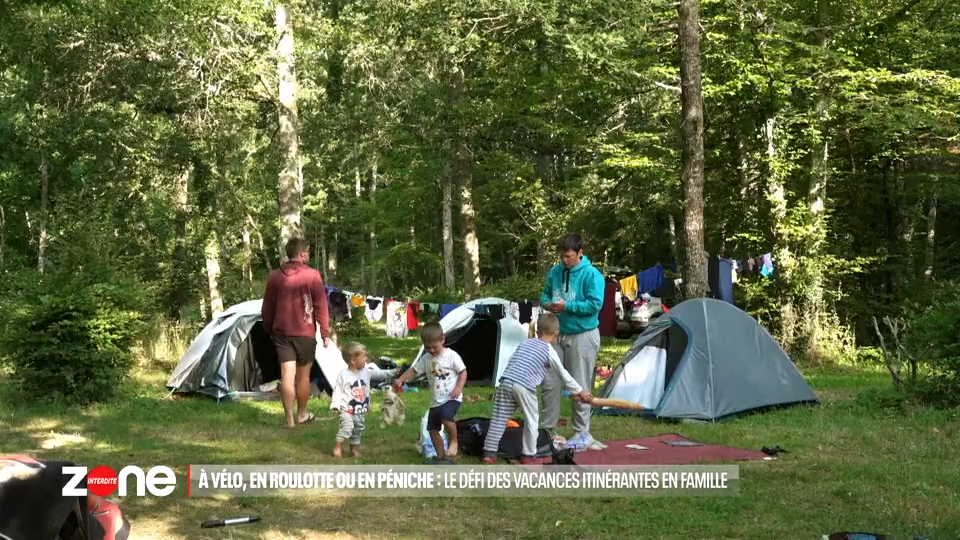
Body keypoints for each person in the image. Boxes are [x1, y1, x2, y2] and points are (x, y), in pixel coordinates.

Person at [482, 312, 593, 465]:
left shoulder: (525, 343)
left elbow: (514, 361)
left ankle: (489, 452)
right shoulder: (548, 350)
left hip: (506, 381)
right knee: (532, 420)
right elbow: (564, 375)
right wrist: (580, 391)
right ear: (556, 334)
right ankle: (528, 455)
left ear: (537, 331)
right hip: (524, 386)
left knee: (498, 419)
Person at [539, 233, 605, 440]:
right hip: (556, 335)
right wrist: (548, 304)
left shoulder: (592, 275)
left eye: (569, 256)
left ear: (580, 253)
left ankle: (581, 433)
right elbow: (544, 295)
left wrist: (567, 306)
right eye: (562, 257)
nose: (564, 261)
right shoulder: (555, 272)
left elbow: (595, 304)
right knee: (550, 383)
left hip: (583, 334)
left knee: (580, 385)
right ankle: (547, 431)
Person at [261, 238, 332, 428]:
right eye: (307, 252)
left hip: (282, 333)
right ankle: (301, 414)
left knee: (286, 375)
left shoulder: (274, 276)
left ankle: (289, 420)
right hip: (305, 333)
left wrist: (268, 328)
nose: (308, 255)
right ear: (302, 254)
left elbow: (267, 307)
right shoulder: (312, 275)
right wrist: (324, 332)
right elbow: (321, 306)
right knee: (303, 377)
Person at [393, 322, 467, 463]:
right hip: (435, 401)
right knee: (432, 429)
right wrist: (400, 380)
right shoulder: (426, 358)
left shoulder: (451, 356)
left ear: (442, 340)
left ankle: (454, 441)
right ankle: (440, 457)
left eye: (434, 347)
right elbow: (413, 371)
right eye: (427, 347)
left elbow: (463, 372)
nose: (431, 350)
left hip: (452, 397)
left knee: (446, 416)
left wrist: (459, 387)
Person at [331, 342, 398, 458]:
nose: (366, 359)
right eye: (363, 357)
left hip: (360, 409)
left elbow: (379, 374)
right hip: (346, 409)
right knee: (347, 427)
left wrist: (392, 372)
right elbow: (337, 390)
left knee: (358, 429)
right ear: (353, 360)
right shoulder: (344, 375)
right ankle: (338, 446)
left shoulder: (366, 372)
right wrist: (335, 404)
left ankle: (354, 449)